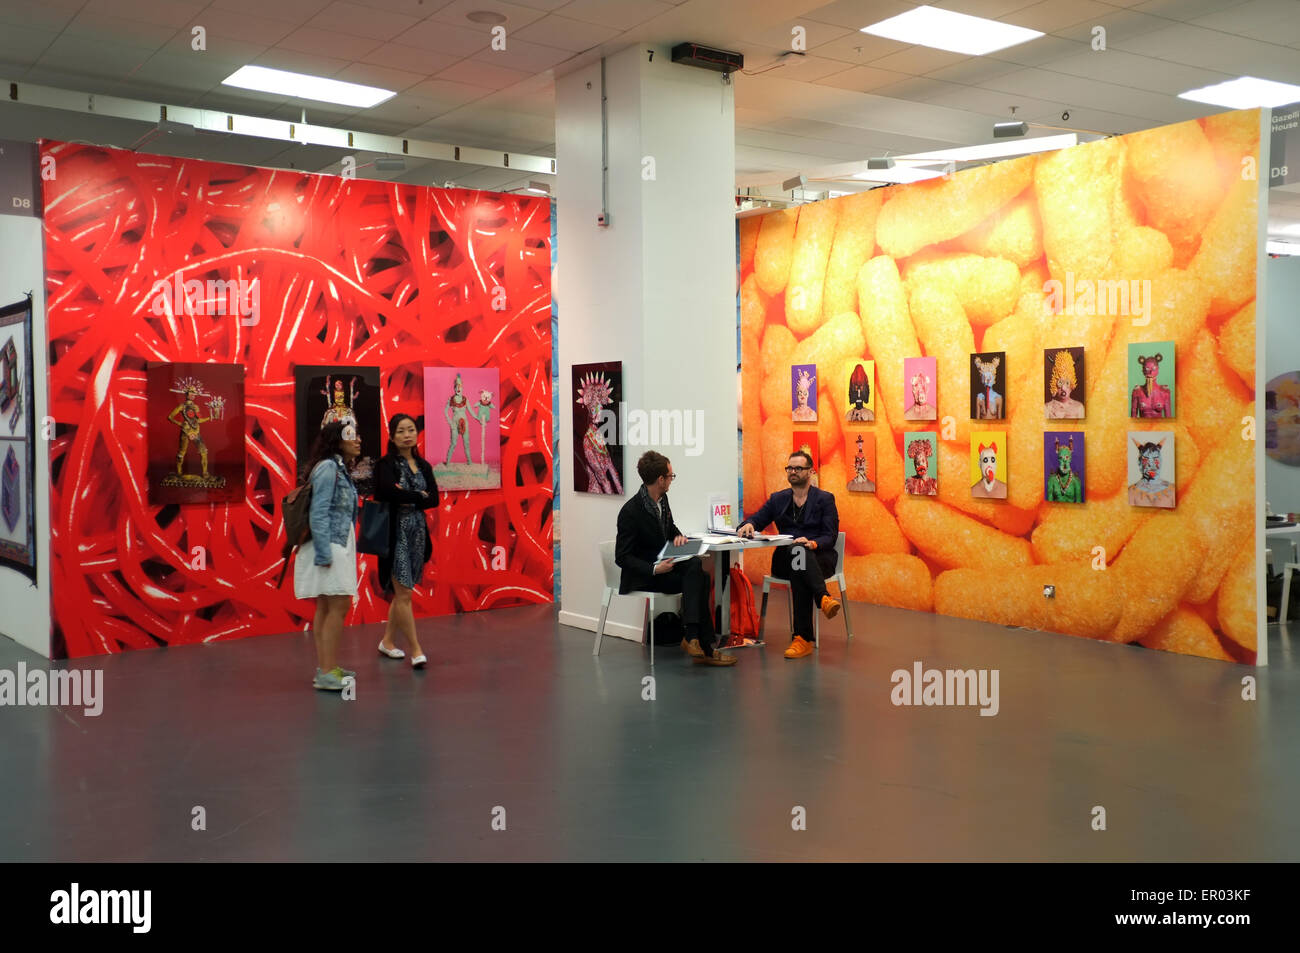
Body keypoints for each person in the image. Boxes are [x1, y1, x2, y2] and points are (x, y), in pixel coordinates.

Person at [616, 451, 735, 666]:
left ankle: (694, 639)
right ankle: (701, 644)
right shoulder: (630, 512)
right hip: (646, 575)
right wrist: (654, 569)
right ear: (660, 480)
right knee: (700, 577)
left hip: (666, 568)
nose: (672, 480)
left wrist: (679, 537)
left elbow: (669, 529)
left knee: (696, 569)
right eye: (670, 476)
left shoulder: (663, 499)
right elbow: (622, 557)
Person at [736, 451, 840, 660]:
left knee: (799, 562)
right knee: (796, 556)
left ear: (811, 471)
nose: (793, 472)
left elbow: (830, 536)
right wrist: (748, 524)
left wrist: (812, 543)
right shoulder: (778, 499)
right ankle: (823, 598)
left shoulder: (824, 499)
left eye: (798, 468)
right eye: (790, 468)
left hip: (819, 558)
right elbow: (756, 519)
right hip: (784, 560)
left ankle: (802, 638)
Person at [295, 420, 361, 692]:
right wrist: (324, 553)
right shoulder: (329, 468)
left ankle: (327, 668)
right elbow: (319, 511)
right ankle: (326, 671)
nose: (357, 440)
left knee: (326, 606)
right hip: (329, 544)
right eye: (351, 436)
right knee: (338, 605)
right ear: (337, 439)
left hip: (335, 542)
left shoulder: (336, 468)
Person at [376, 414, 440, 669]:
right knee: (404, 593)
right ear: (392, 436)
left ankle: (388, 642)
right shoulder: (386, 464)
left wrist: (407, 496)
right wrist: (417, 495)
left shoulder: (424, 465)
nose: (407, 435)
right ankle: (416, 650)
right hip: (395, 533)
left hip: (418, 533)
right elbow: (384, 491)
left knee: (404, 591)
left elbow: (434, 498)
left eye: (411, 430)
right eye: (401, 431)